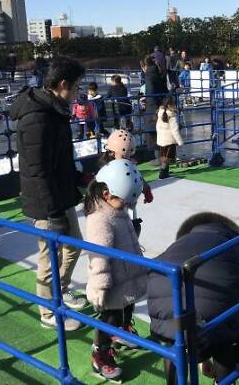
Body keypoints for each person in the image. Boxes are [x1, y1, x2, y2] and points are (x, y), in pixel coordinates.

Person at [9, 57, 89, 330]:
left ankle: (60, 291)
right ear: (63, 84)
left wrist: (81, 178)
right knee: (49, 257)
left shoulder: (55, 110)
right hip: (46, 202)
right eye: (76, 87)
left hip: (61, 194)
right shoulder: (37, 118)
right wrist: (52, 212)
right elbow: (38, 169)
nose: (78, 93)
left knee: (74, 244)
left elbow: (60, 161)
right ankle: (48, 312)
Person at [146, 212, 239, 385]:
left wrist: (201, 359)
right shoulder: (237, 249)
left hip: (163, 311)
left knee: (173, 340)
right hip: (208, 319)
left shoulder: (179, 243)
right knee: (224, 334)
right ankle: (224, 380)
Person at [84, 160, 147, 381]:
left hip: (127, 278)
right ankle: (100, 354)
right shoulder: (100, 218)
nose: (127, 206)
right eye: (124, 201)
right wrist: (100, 287)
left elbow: (128, 240)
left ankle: (123, 333)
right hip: (112, 284)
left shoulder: (116, 209)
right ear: (106, 193)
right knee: (109, 320)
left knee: (127, 310)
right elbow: (99, 257)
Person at [96, 129, 154, 236]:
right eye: (124, 156)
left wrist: (146, 189)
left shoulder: (129, 164)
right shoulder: (107, 167)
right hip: (112, 208)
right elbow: (99, 185)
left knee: (134, 228)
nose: (127, 160)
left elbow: (137, 177)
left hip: (128, 206)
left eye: (128, 157)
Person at [155, 97, 183, 179]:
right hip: (169, 140)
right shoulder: (172, 116)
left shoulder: (160, 113)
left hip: (161, 140)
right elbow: (175, 130)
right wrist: (180, 142)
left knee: (164, 156)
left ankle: (164, 171)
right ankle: (163, 173)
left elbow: (157, 127)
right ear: (170, 105)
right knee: (167, 158)